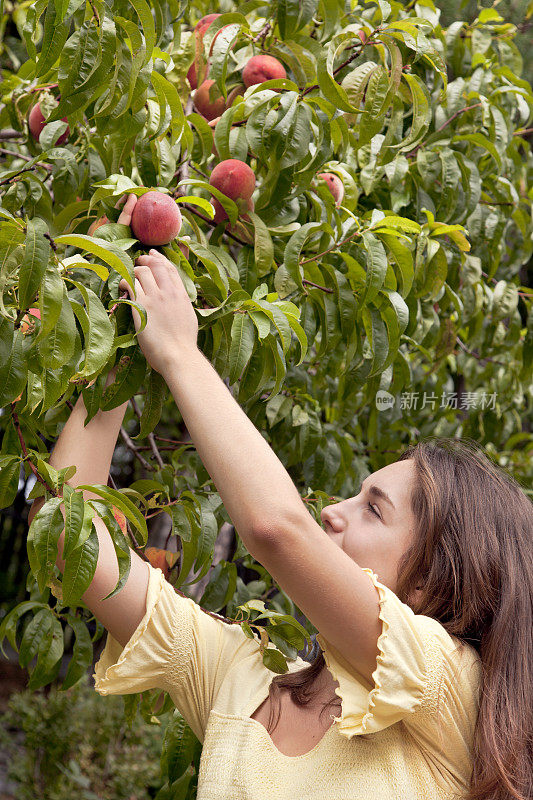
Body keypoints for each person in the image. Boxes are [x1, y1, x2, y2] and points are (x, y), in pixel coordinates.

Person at [27, 194, 533, 800]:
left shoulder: (443, 686)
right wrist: (117, 357)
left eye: (373, 508)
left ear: (430, 580)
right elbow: (66, 542)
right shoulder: (241, 675)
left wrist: (181, 356)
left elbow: (276, 528)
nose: (332, 511)